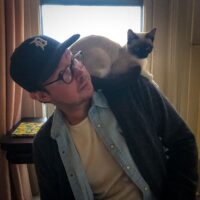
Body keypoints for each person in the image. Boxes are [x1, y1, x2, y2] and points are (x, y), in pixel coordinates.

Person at [10, 34, 198, 200]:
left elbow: (183, 142)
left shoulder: (134, 88)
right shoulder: (46, 145)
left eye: (73, 60)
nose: (80, 72)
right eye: (64, 74)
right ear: (42, 96)